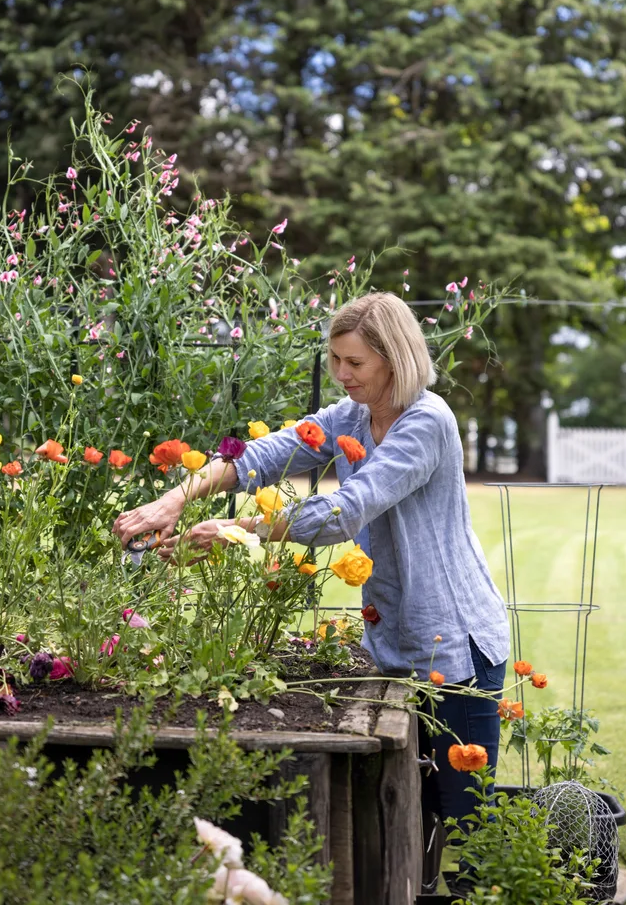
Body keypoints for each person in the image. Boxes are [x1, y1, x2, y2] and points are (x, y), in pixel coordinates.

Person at [113, 292, 509, 834]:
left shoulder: (426, 422)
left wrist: (238, 531)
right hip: (395, 639)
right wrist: (176, 498)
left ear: (396, 359)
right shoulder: (355, 414)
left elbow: (344, 511)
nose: (341, 374)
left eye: (355, 363)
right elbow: (266, 455)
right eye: (336, 361)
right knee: (408, 816)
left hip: (454, 643)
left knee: (465, 821)